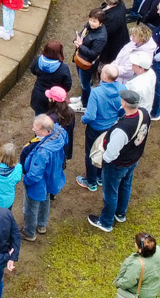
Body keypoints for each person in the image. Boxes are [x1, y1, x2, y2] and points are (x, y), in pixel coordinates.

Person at [87, 89, 151, 232]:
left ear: (123, 103)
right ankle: (120, 213)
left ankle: (106, 222)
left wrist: (103, 160)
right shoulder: (144, 114)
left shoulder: (122, 129)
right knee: (126, 186)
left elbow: (111, 154)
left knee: (110, 192)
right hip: (133, 159)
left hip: (118, 164)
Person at [21, 113, 67, 240]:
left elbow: (35, 175)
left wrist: (27, 179)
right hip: (52, 177)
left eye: (36, 129)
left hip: (39, 182)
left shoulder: (42, 152)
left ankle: (29, 232)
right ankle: (42, 225)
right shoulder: (60, 132)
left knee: (31, 207)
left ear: (46, 131)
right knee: (45, 199)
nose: (33, 130)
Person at [78, 64, 123, 189]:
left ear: (104, 76)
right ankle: (100, 178)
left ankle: (91, 182)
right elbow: (123, 109)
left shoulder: (96, 93)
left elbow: (90, 115)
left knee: (91, 154)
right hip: (111, 128)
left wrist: (83, 119)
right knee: (104, 151)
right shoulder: (122, 88)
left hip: (95, 129)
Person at [30, 40, 73, 116]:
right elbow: (67, 85)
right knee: (53, 117)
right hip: (55, 99)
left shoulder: (38, 60)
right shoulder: (63, 68)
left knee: (39, 116)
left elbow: (32, 70)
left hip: (38, 95)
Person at [73, 11, 108, 86]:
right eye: (90, 20)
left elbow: (93, 54)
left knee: (85, 85)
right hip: (81, 56)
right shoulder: (90, 26)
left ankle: (86, 95)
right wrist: (77, 39)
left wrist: (80, 46)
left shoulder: (101, 37)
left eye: (94, 21)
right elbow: (82, 33)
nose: (91, 23)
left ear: (101, 23)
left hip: (87, 63)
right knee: (81, 77)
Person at [100, 0, 131, 66]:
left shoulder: (114, 17)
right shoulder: (119, 4)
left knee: (109, 60)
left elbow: (106, 32)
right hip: (119, 35)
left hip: (113, 43)